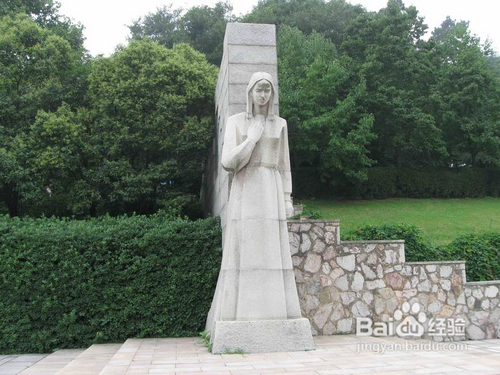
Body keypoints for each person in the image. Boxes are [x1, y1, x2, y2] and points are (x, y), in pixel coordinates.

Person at [206, 72, 302, 331]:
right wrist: (251, 138)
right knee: (245, 247)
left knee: (273, 250)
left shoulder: (280, 124)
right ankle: (241, 312)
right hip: (246, 188)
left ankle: (278, 311)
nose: (263, 94)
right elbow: (228, 163)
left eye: (267, 90)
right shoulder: (236, 122)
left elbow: (284, 166)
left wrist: (286, 197)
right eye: (258, 89)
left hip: (270, 188)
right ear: (249, 92)